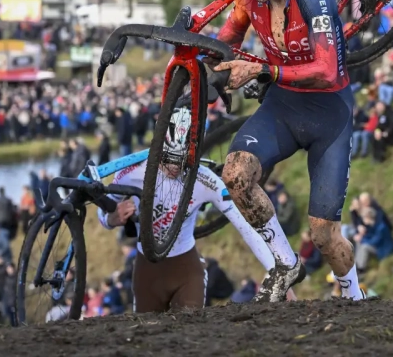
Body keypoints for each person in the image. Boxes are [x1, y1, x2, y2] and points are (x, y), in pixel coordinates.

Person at [213, 0, 363, 302]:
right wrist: (204, 62)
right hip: (283, 107)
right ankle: (284, 263)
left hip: (328, 113)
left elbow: (328, 70)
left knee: (323, 235)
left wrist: (262, 70)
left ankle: (353, 294)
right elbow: (224, 42)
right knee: (236, 175)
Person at [98, 108, 276, 312]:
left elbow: (246, 228)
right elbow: (103, 211)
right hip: (147, 272)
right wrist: (112, 219)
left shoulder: (205, 179)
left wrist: (277, 272)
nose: (174, 167)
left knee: (189, 333)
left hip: (187, 269)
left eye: (181, 161)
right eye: (168, 159)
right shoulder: (131, 171)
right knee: (147, 337)